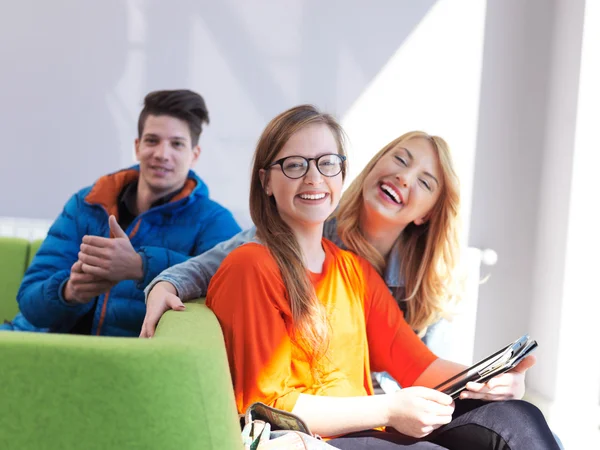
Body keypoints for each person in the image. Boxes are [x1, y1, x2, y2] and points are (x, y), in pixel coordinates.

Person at [202, 105, 559, 448]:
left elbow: (419, 365)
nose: (314, 178)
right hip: (317, 438)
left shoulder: (354, 272)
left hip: (369, 427)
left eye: (327, 164)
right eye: (295, 165)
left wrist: (491, 381)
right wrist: (389, 408)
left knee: (518, 417)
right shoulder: (250, 266)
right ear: (265, 181)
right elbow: (270, 404)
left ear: (342, 176)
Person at [140, 128, 460, 351]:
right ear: (375, 164)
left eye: (425, 181)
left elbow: (438, 373)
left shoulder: (425, 280)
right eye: (401, 160)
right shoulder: (310, 225)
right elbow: (212, 264)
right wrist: (164, 285)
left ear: (427, 215)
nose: (404, 177)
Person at [0, 89, 241, 336]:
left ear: (194, 155)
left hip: (126, 363)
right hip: (35, 344)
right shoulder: (88, 202)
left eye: (177, 144)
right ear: (137, 147)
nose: (161, 154)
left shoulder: (215, 222)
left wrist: (141, 266)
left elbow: (232, 294)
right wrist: (69, 292)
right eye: (152, 140)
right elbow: (30, 304)